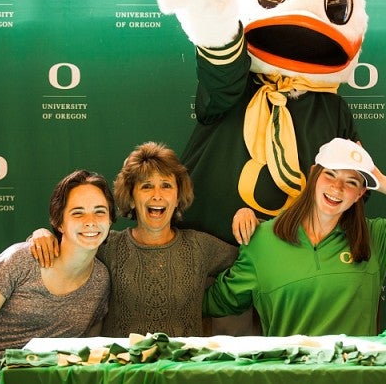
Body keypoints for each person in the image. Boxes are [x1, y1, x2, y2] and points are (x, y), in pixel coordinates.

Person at [202, 138, 386, 336]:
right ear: (314, 173)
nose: (337, 188)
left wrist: (380, 181)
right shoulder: (262, 240)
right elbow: (216, 303)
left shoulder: (376, 238)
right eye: (330, 174)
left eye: (352, 182)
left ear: (361, 193)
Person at [29, 142, 240, 337]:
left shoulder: (200, 246)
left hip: (181, 370)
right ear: (130, 196)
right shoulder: (107, 245)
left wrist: (247, 217)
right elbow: (66, 243)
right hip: (122, 371)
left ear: (178, 197)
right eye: (146, 186)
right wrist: (40, 233)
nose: (157, 195)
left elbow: (250, 260)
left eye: (166, 185)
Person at [0, 170, 113, 384]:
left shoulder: (101, 279)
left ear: (110, 220)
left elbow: (87, 346)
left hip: (43, 379)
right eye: (78, 213)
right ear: (59, 223)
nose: (91, 221)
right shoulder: (21, 259)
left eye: (100, 211)